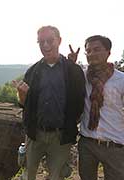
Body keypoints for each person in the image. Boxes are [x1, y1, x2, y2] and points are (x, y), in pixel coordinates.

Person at [13, 25, 85, 180]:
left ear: (59, 41)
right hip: (35, 134)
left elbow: (80, 101)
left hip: (61, 136)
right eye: (41, 42)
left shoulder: (73, 70)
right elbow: (24, 104)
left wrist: (71, 123)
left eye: (50, 40)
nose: (45, 45)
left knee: (56, 176)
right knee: (28, 174)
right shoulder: (32, 71)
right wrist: (21, 94)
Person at [73, 35, 124, 180]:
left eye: (96, 49)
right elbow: (68, 79)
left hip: (114, 145)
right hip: (87, 143)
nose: (92, 54)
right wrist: (71, 63)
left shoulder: (121, 80)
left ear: (108, 52)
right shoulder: (83, 76)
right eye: (88, 51)